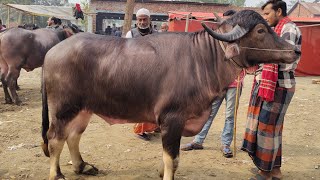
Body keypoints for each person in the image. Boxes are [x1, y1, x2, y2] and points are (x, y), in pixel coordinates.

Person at [241, 1, 302, 179]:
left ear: (279, 11)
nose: (266, 18)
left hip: (279, 85)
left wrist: (263, 60)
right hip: (271, 83)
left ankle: (265, 172)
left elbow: (288, 57)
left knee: (268, 128)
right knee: (272, 128)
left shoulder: (288, 29)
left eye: (268, 14)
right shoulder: (276, 30)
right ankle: (274, 170)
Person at [180, 9, 242, 158]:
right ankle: (198, 141)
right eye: (224, 21)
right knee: (208, 112)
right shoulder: (215, 39)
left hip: (235, 82)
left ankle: (226, 144)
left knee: (229, 116)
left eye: (230, 21)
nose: (227, 24)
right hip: (218, 84)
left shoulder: (241, 38)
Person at [126, 8, 158, 141]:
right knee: (143, 102)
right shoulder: (130, 34)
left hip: (154, 73)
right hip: (137, 73)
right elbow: (124, 52)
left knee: (156, 101)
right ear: (136, 20)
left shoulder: (157, 34)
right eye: (140, 19)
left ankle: (153, 127)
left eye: (145, 19)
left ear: (149, 19)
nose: (142, 22)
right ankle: (140, 130)